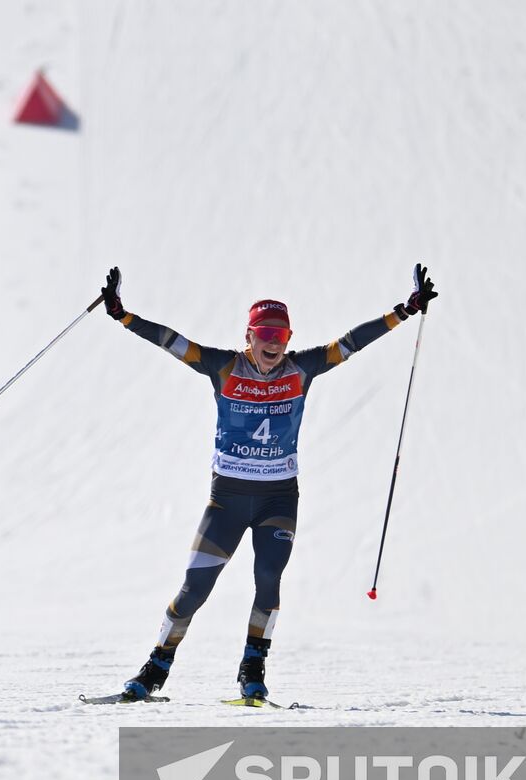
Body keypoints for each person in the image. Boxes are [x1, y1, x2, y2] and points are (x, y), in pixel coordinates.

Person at [99, 264, 437, 699]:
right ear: (249, 337)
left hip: (278, 498)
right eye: (265, 335)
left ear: (289, 340)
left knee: (268, 580)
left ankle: (252, 670)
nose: (273, 344)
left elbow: (351, 343)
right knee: (193, 589)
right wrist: (123, 316)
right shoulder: (222, 367)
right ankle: (154, 669)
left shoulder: (302, 369)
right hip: (227, 500)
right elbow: (170, 341)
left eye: (281, 336)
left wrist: (405, 311)